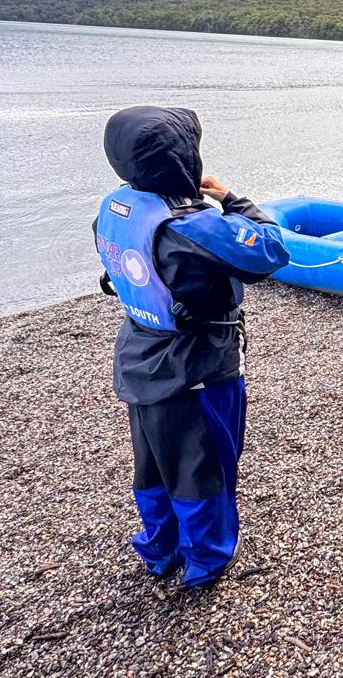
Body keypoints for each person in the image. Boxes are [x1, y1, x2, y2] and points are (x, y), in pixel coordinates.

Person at [93, 106, 290, 587]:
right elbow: (270, 250)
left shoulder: (115, 208)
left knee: (156, 463)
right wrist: (232, 200)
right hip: (196, 365)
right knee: (203, 468)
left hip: (139, 357)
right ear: (181, 158)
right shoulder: (190, 226)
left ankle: (159, 549)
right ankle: (205, 562)